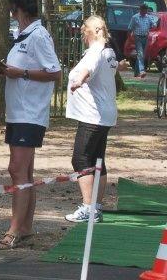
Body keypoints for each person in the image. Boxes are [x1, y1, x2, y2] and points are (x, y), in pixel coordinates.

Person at [0, 0, 61, 249]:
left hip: (30, 113)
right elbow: (20, 67)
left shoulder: (38, 36)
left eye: (12, 9)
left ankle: (13, 230)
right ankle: (25, 227)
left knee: (17, 170)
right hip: (18, 112)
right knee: (25, 172)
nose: (11, 14)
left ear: (18, 9)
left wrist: (20, 73)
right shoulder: (22, 36)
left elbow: (55, 72)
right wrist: (3, 69)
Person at [65, 15, 129, 223]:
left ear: (91, 32)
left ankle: (88, 208)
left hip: (92, 115)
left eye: (83, 32)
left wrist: (78, 80)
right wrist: (120, 66)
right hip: (104, 114)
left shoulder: (95, 51)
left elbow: (89, 68)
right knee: (97, 160)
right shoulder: (108, 51)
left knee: (80, 159)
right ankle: (96, 207)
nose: (83, 36)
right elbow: (110, 66)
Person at [128, 3, 158, 78]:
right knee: (140, 54)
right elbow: (130, 28)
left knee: (141, 55)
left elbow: (154, 25)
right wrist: (130, 38)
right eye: (144, 10)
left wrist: (155, 24)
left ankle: (136, 73)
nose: (145, 12)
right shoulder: (135, 17)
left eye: (146, 10)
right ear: (140, 10)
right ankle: (142, 71)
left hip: (145, 37)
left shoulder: (148, 17)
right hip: (137, 37)